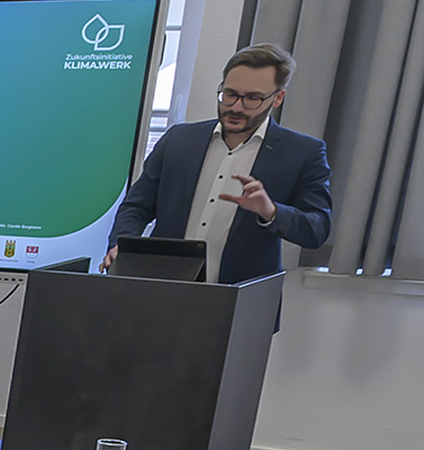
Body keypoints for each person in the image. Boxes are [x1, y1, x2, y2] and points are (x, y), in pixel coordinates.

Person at [104, 42, 332, 283]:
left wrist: (270, 211)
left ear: (278, 98)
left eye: (252, 98)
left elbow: (316, 230)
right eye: (230, 94)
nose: (236, 107)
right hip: (164, 290)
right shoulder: (178, 140)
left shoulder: (303, 152)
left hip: (241, 299)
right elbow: (136, 206)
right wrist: (121, 245)